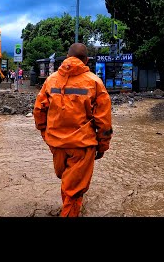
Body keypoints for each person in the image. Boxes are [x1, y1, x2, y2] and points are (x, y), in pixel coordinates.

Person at [33, 43, 113, 217]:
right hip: (82, 145)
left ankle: (69, 209)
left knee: (68, 183)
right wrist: (102, 146)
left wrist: (46, 134)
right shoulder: (95, 82)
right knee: (74, 190)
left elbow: (39, 110)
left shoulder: (51, 80)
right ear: (86, 60)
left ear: (67, 57)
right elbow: (104, 121)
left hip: (56, 144)